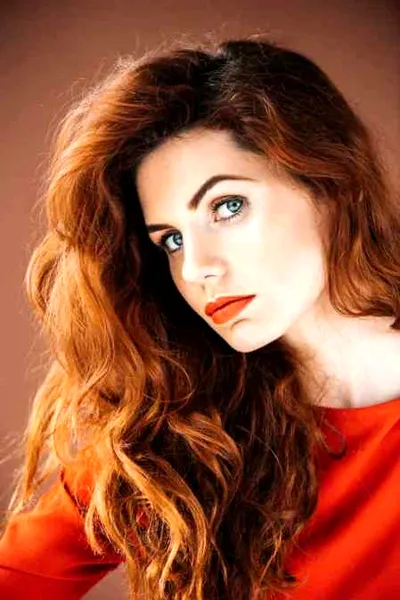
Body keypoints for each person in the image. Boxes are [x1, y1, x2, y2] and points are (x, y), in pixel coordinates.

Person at [0, 34, 399, 600]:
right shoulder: (180, 441)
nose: (195, 268)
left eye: (227, 206)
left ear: (329, 185)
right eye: (171, 240)